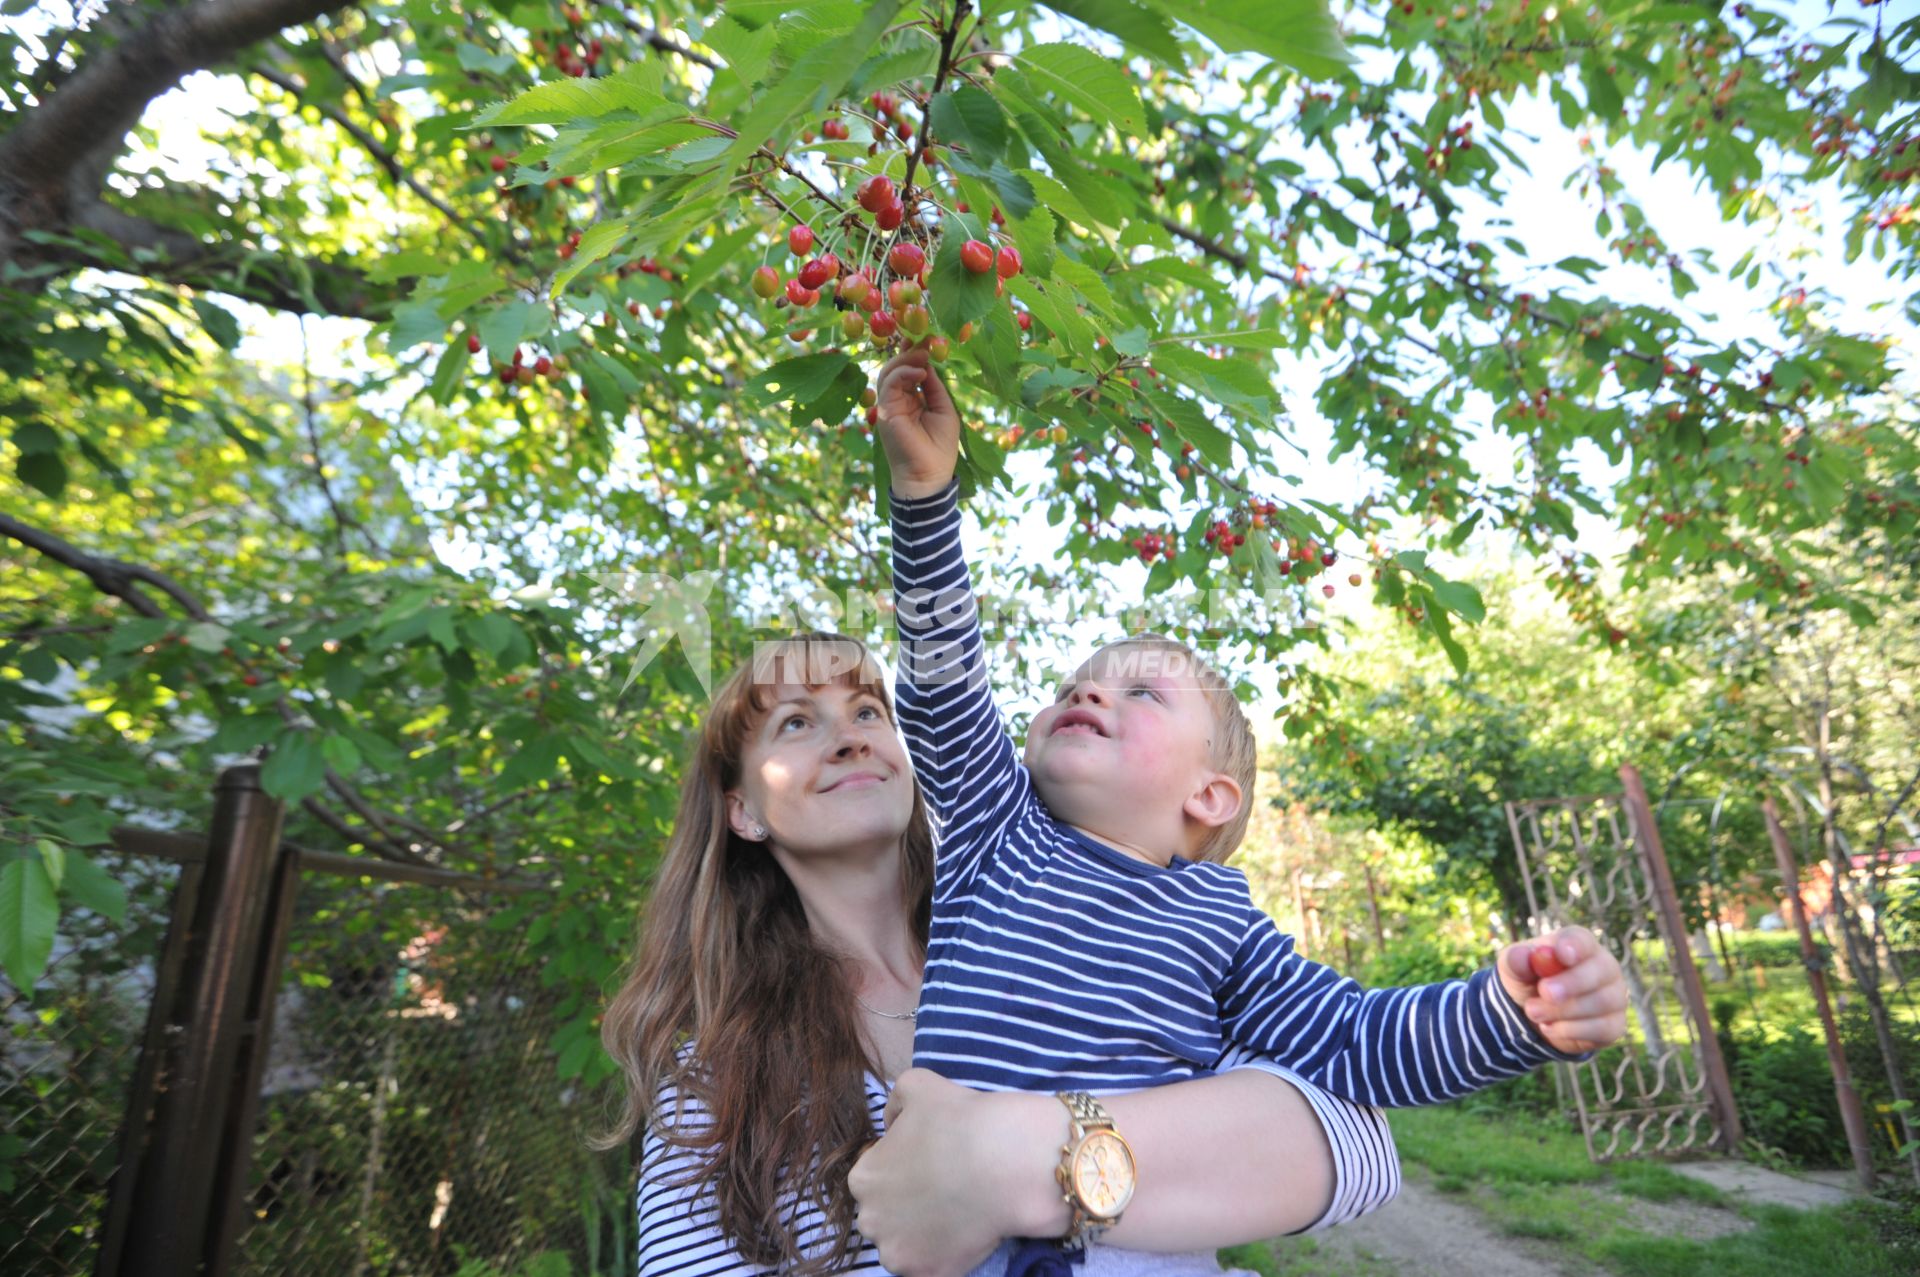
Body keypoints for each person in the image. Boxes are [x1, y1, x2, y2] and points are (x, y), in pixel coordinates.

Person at [855, 341, 1630, 1269]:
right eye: (1076, 684)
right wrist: (923, 495)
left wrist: (1507, 1015)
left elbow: (1357, 1044)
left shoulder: (1223, 926)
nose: (1089, 693)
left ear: (1209, 796)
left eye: (1140, 694)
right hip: (947, 1238)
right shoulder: (997, 828)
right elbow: (941, 687)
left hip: (1124, 1247)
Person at [600, 636, 1402, 1277]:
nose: (848, 738)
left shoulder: (1098, 940)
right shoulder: (712, 1071)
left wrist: (1012, 1161)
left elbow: (1360, 1147)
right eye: (798, 723)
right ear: (743, 810)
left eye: (869, 712)